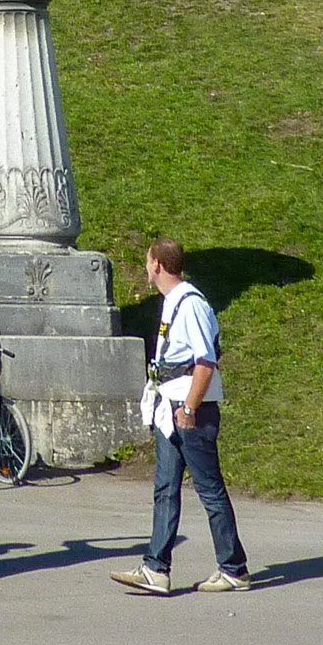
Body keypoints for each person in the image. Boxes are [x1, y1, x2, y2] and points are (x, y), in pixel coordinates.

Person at [112, 237, 249, 596]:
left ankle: (233, 568)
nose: (145, 268)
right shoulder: (173, 303)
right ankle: (156, 568)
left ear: (157, 264)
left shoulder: (191, 305)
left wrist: (189, 408)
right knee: (165, 489)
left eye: (147, 262)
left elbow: (206, 362)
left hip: (190, 411)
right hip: (169, 409)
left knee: (209, 490)